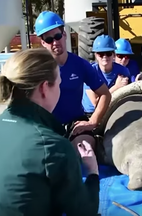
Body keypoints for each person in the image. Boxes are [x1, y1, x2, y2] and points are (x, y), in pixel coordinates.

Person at [0, 48, 100, 215]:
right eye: (59, 84)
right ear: (45, 88)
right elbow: (84, 211)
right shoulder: (53, 147)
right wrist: (92, 171)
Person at [35, 11, 111, 150]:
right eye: (49, 39)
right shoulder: (38, 69)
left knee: (85, 150)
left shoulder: (80, 65)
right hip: (46, 126)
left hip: (75, 124)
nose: (55, 42)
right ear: (43, 43)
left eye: (58, 36)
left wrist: (93, 121)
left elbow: (105, 94)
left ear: (64, 35)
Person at [82, 35, 130, 116]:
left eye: (108, 53)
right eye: (101, 54)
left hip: (114, 108)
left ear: (114, 55)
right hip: (92, 113)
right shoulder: (90, 71)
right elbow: (96, 102)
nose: (105, 57)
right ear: (96, 55)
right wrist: (117, 87)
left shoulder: (123, 71)